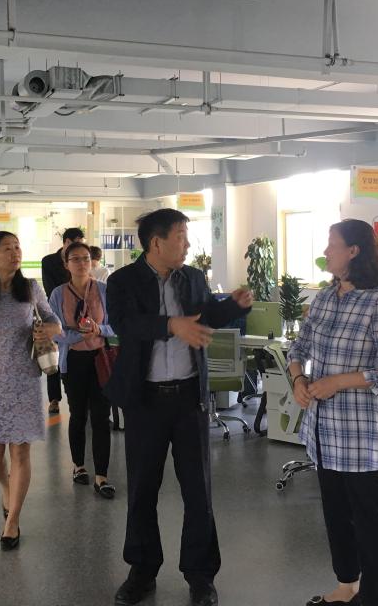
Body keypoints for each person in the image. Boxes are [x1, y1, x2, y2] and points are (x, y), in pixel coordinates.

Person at [106, 208, 252, 606]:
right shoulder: (122, 281)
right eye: (181, 237)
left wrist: (233, 306)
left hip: (189, 399)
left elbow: (206, 316)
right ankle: (142, 571)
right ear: (157, 242)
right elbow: (125, 325)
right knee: (142, 490)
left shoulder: (193, 278)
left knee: (198, 491)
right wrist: (172, 325)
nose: (187, 245)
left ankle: (201, 576)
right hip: (146, 401)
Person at [287, 219, 378, 606]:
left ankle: (372, 599)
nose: (326, 252)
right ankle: (346, 586)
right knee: (336, 516)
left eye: (332, 244)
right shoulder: (324, 297)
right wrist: (298, 379)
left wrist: (338, 382)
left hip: (361, 437)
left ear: (354, 251)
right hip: (323, 433)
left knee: (370, 522)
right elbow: (298, 348)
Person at [0, 231, 62, 551]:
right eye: (7, 248)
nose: (15, 253)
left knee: (20, 451)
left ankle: (13, 520)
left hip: (25, 378)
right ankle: (7, 488)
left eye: (18, 247)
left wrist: (49, 329)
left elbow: (54, 321)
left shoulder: (31, 288)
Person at [49, 241, 116, 498]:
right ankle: (79, 466)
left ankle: (102, 476)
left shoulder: (103, 290)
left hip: (100, 360)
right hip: (73, 361)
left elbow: (115, 325)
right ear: (66, 264)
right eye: (75, 259)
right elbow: (55, 331)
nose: (82, 263)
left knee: (101, 417)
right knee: (78, 415)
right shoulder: (58, 294)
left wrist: (99, 330)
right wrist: (79, 335)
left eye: (86, 258)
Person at [41, 227, 85, 413]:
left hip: (80, 313)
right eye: (74, 243)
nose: (78, 248)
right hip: (55, 312)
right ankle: (54, 398)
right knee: (54, 356)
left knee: (78, 352)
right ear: (66, 242)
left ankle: (81, 395)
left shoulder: (80, 259)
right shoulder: (49, 261)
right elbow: (50, 288)